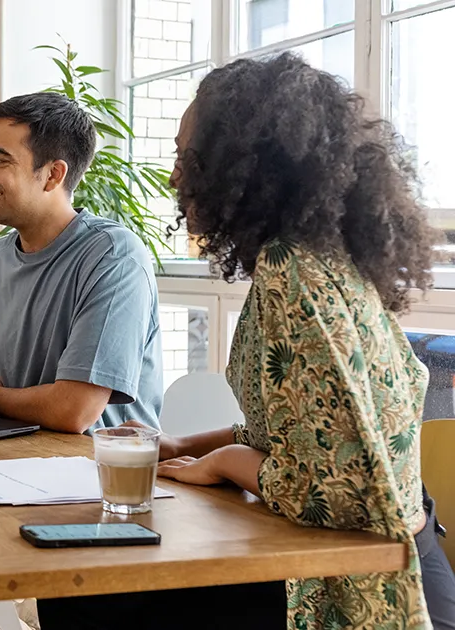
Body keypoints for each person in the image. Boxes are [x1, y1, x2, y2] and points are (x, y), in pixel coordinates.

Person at [149, 53, 455, 629]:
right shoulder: (319, 260)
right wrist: (181, 445)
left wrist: (225, 461)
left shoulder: (294, 273)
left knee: (99, 597)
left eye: (188, 158)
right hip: (389, 561)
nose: (175, 178)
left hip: (375, 592)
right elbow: (306, 429)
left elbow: (343, 489)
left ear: (243, 165)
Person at [0, 92, 163, 433]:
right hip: (16, 451)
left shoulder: (114, 256)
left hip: (95, 461)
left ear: (53, 174)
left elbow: (74, 410)